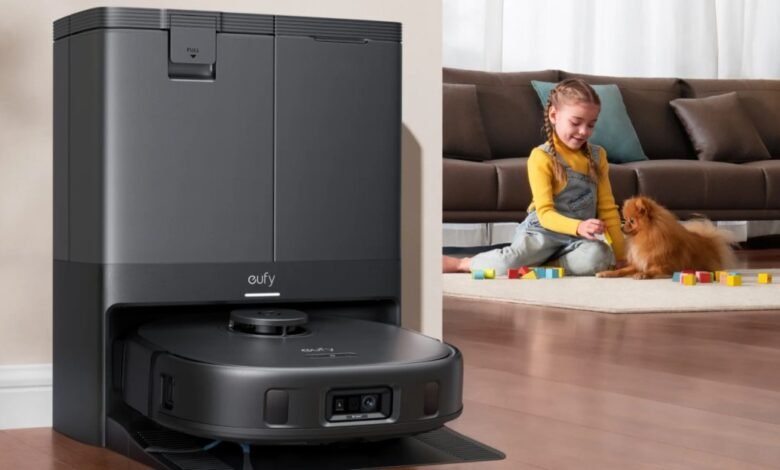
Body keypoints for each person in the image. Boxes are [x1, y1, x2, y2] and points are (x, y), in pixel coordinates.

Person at [443, 78, 626, 276]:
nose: (584, 131)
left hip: (576, 239)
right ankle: (463, 263)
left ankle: (545, 265)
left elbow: (608, 209)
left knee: (599, 258)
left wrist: (621, 255)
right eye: (576, 122)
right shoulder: (541, 157)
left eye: (591, 125)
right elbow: (545, 213)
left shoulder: (599, 156)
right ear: (554, 115)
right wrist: (578, 226)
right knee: (506, 265)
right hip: (542, 232)